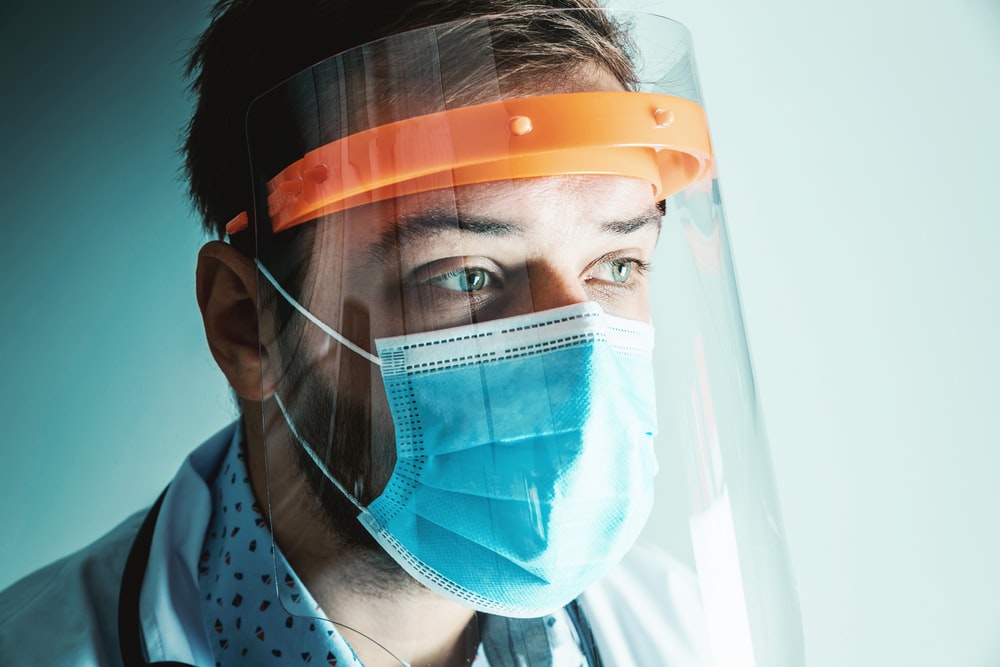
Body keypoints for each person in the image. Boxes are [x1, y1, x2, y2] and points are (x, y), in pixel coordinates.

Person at [0, 1, 804, 665]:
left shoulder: (685, 634)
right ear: (247, 323)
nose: (578, 351)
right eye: (466, 274)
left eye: (617, 266)